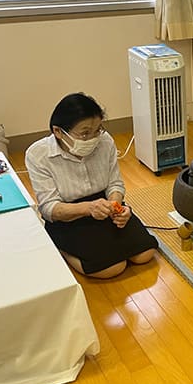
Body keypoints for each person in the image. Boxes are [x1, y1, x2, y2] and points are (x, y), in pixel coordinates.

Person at [25, 93, 157, 278]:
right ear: (58, 131)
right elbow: (49, 208)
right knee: (112, 268)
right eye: (85, 133)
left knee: (145, 253)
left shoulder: (105, 141)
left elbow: (115, 184)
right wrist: (88, 208)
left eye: (97, 130)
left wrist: (117, 206)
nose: (94, 138)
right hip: (69, 216)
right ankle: (60, 246)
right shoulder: (38, 154)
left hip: (104, 208)